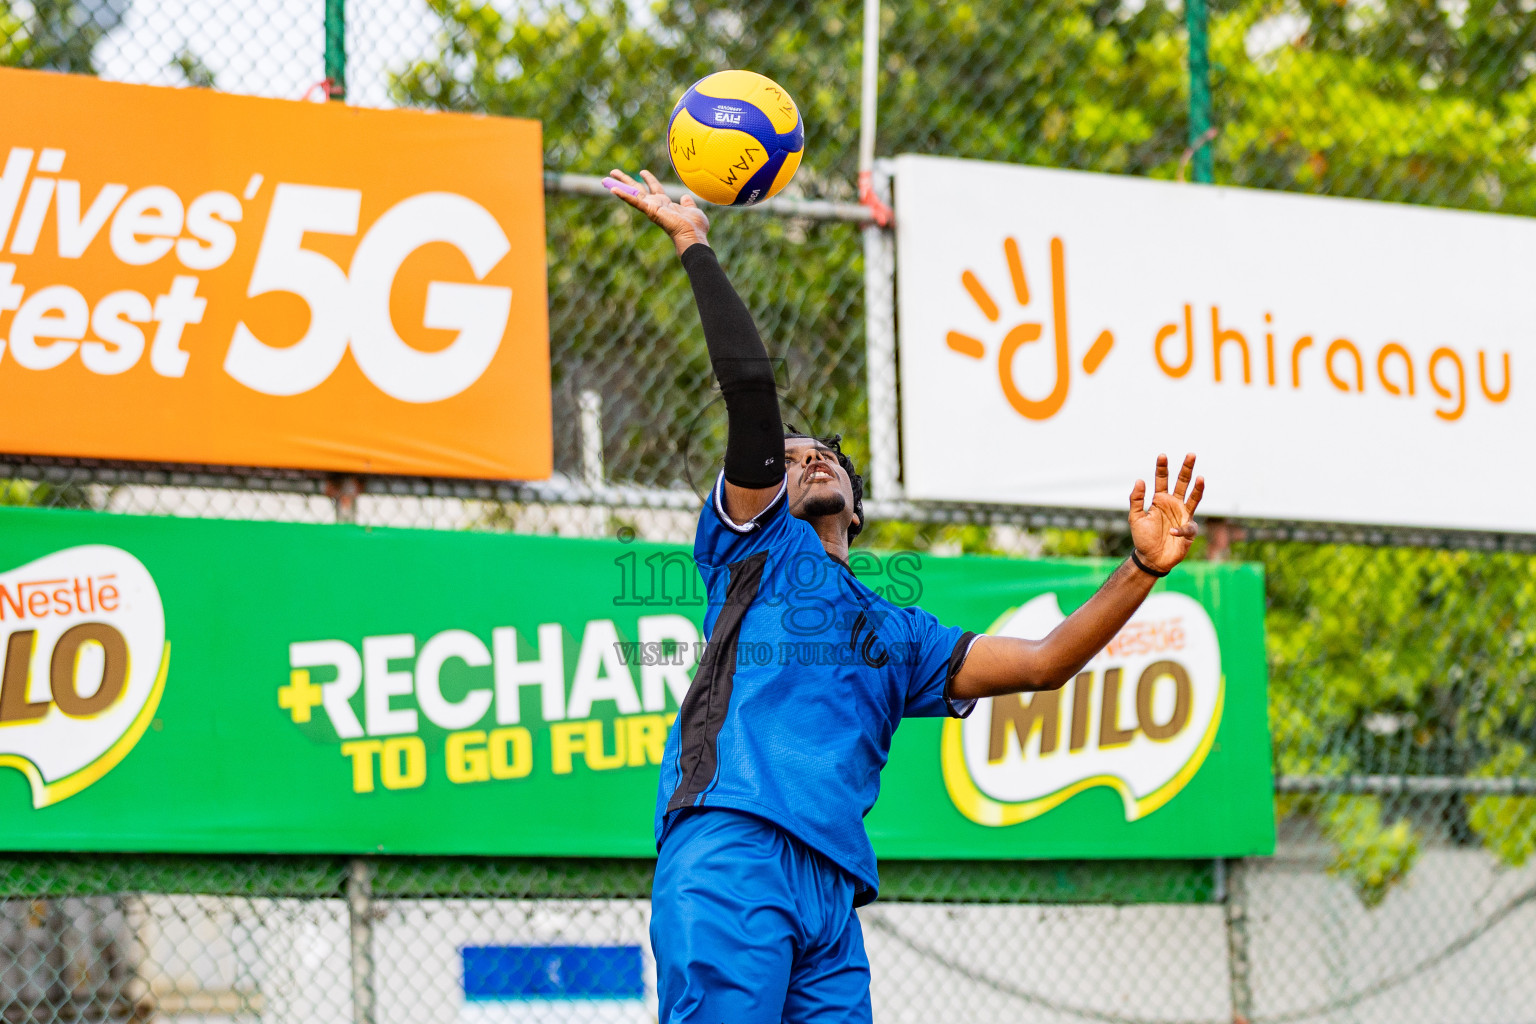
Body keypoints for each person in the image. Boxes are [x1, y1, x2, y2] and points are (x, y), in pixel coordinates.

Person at [604, 168, 1205, 1024]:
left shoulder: (904, 637)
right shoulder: (756, 548)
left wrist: (1141, 569)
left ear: (856, 503)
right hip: (731, 847)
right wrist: (694, 242)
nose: (805, 458)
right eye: (791, 453)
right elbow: (751, 394)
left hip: (831, 895)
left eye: (826, 457)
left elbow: (1044, 663)